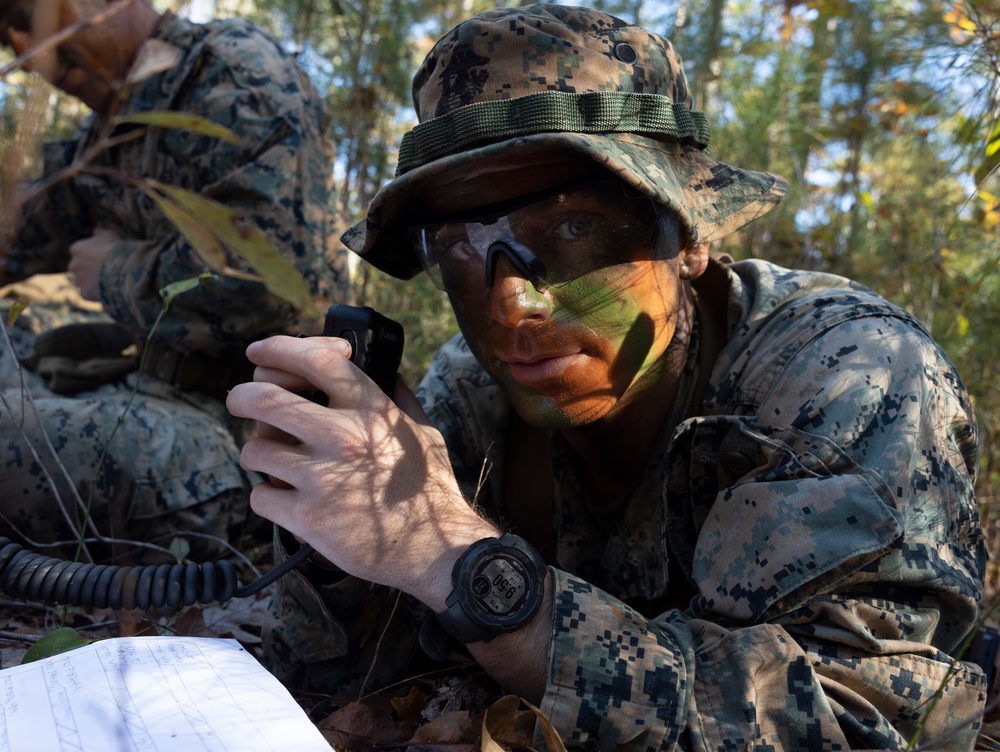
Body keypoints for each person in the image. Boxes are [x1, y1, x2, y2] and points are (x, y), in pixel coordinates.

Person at [226, 5, 988, 749]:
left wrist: (459, 563)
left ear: (687, 232)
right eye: (462, 245)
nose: (512, 303)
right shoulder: (473, 388)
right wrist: (333, 541)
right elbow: (340, 671)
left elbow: (855, 721)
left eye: (573, 228)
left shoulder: (851, 375)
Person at [0, 0, 349, 562]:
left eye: (27, 14)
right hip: (143, 390)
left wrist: (113, 271)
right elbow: (21, 235)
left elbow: (276, 285)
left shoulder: (231, 73)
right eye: (7, 34)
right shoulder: (111, 124)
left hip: (241, 435)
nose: (25, 52)